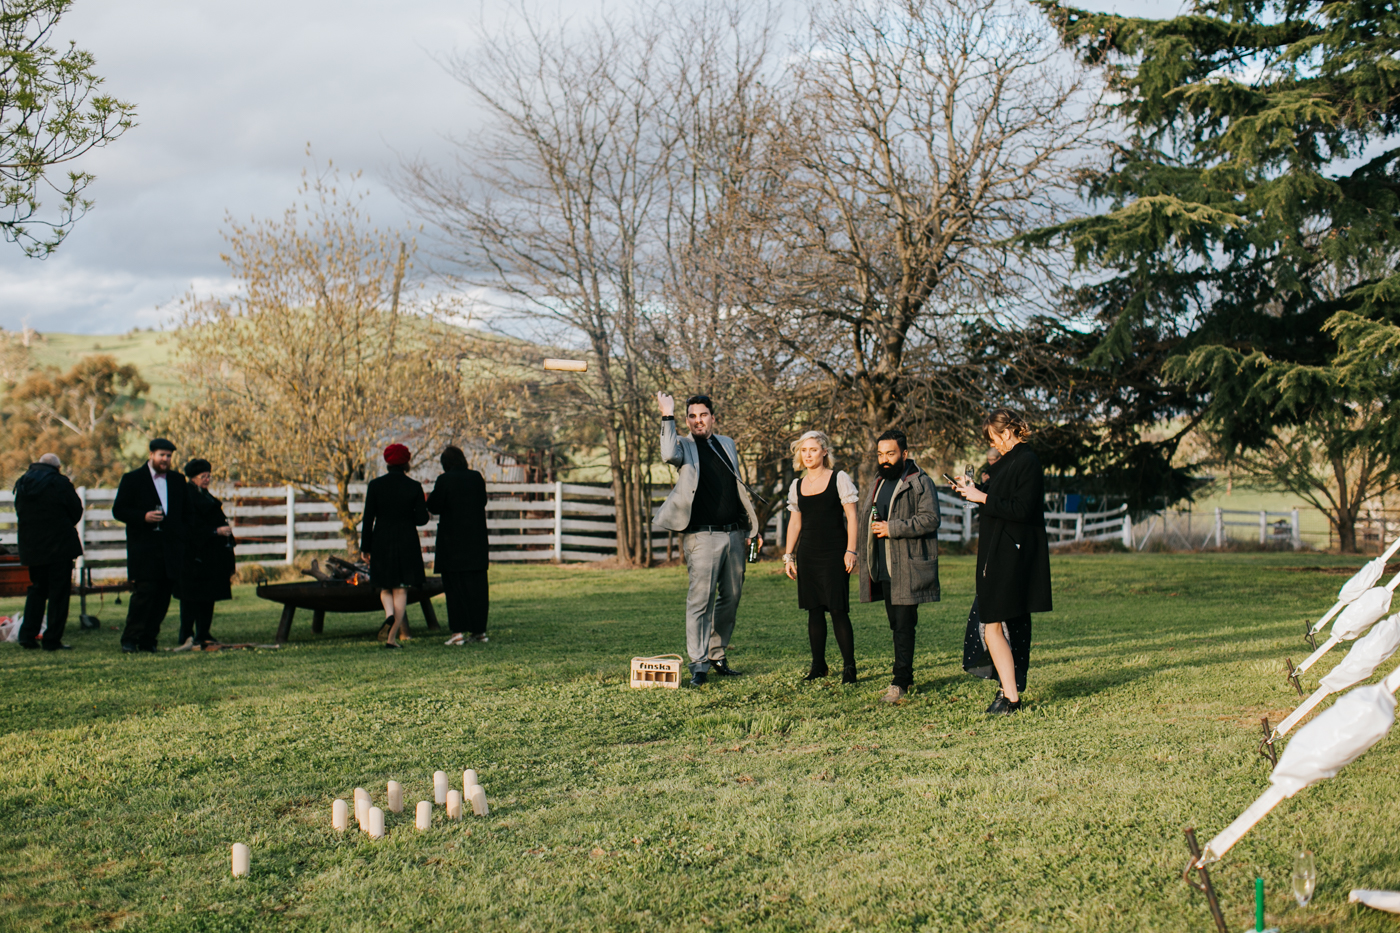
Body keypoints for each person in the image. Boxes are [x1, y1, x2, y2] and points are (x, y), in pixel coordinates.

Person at [654, 391, 760, 687]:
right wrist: (667, 414)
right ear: (686, 420)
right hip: (702, 536)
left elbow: (735, 488)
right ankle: (698, 663)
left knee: (732, 597)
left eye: (703, 415)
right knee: (700, 600)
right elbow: (667, 453)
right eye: (692, 416)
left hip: (735, 535)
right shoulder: (684, 446)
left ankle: (716, 653)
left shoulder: (727, 444)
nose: (698, 421)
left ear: (713, 417)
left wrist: (751, 527)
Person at [952, 408, 1052, 715]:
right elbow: (1002, 502)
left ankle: (1011, 696)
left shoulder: (1027, 461)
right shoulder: (1009, 463)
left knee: (995, 623)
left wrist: (982, 498)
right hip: (997, 552)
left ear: (1006, 433)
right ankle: (1009, 694)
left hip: (1012, 555)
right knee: (993, 624)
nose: (995, 445)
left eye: (995, 438)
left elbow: (1021, 508)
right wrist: (973, 491)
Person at [855, 429, 942, 704]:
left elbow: (930, 519)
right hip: (882, 565)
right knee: (896, 623)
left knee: (904, 624)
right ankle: (905, 674)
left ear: (904, 454)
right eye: (880, 454)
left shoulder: (921, 482)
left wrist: (893, 528)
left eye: (890, 454)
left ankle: (900, 681)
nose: (885, 459)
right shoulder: (879, 481)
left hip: (907, 565)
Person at [782, 431, 860, 682]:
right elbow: (795, 523)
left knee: (838, 609)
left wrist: (851, 550)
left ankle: (849, 667)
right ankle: (818, 666)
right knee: (814, 610)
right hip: (808, 554)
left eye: (813, 450)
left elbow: (852, 517)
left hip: (835, 552)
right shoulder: (797, 485)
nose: (807, 455)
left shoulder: (839, 478)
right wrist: (788, 556)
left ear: (824, 451)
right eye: (803, 451)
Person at [113, 438, 188, 653]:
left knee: (163, 597)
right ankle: (130, 639)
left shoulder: (177, 480)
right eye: (162, 455)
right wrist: (142, 516)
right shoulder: (132, 479)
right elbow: (119, 510)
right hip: (144, 550)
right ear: (151, 454)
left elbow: (185, 512)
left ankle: (149, 639)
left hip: (170, 549)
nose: (165, 459)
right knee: (144, 595)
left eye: (169, 456)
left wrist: (181, 536)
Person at [360, 443, 429, 649]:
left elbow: (367, 518)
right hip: (406, 541)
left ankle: (389, 614)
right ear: (406, 462)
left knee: (384, 585)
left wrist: (365, 547)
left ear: (387, 462)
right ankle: (391, 639)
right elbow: (422, 519)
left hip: (381, 539)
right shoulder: (414, 487)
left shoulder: (375, 485)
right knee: (401, 589)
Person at [12, 453, 83, 651]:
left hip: (33, 547)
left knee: (37, 590)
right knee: (58, 594)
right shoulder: (60, 482)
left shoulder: (23, 483)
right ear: (58, 467)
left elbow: (20, 512)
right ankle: (52, 639)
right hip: (59, 546)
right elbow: (76, 510)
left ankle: (27, 635)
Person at [427, 445, 490, 645]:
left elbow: (435, 507)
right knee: (478, 589)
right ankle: (479, 631)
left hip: (452, 543)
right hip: (476, 541)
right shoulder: (476, 477)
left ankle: (457, 633)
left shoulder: (444, 480)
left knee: (455, 589)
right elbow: (483, 502)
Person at [178, 458, 236, 647]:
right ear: (193, 478)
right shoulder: (187, 497)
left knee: (208, 596)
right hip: (195, 555)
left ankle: (203, 632)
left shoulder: (206, 495)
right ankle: (187, 634)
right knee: (191, 597)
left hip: (211, 555)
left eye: (208, 476)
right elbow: (189, 527)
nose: (207, 479)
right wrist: (214, 531)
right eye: (203, 476)